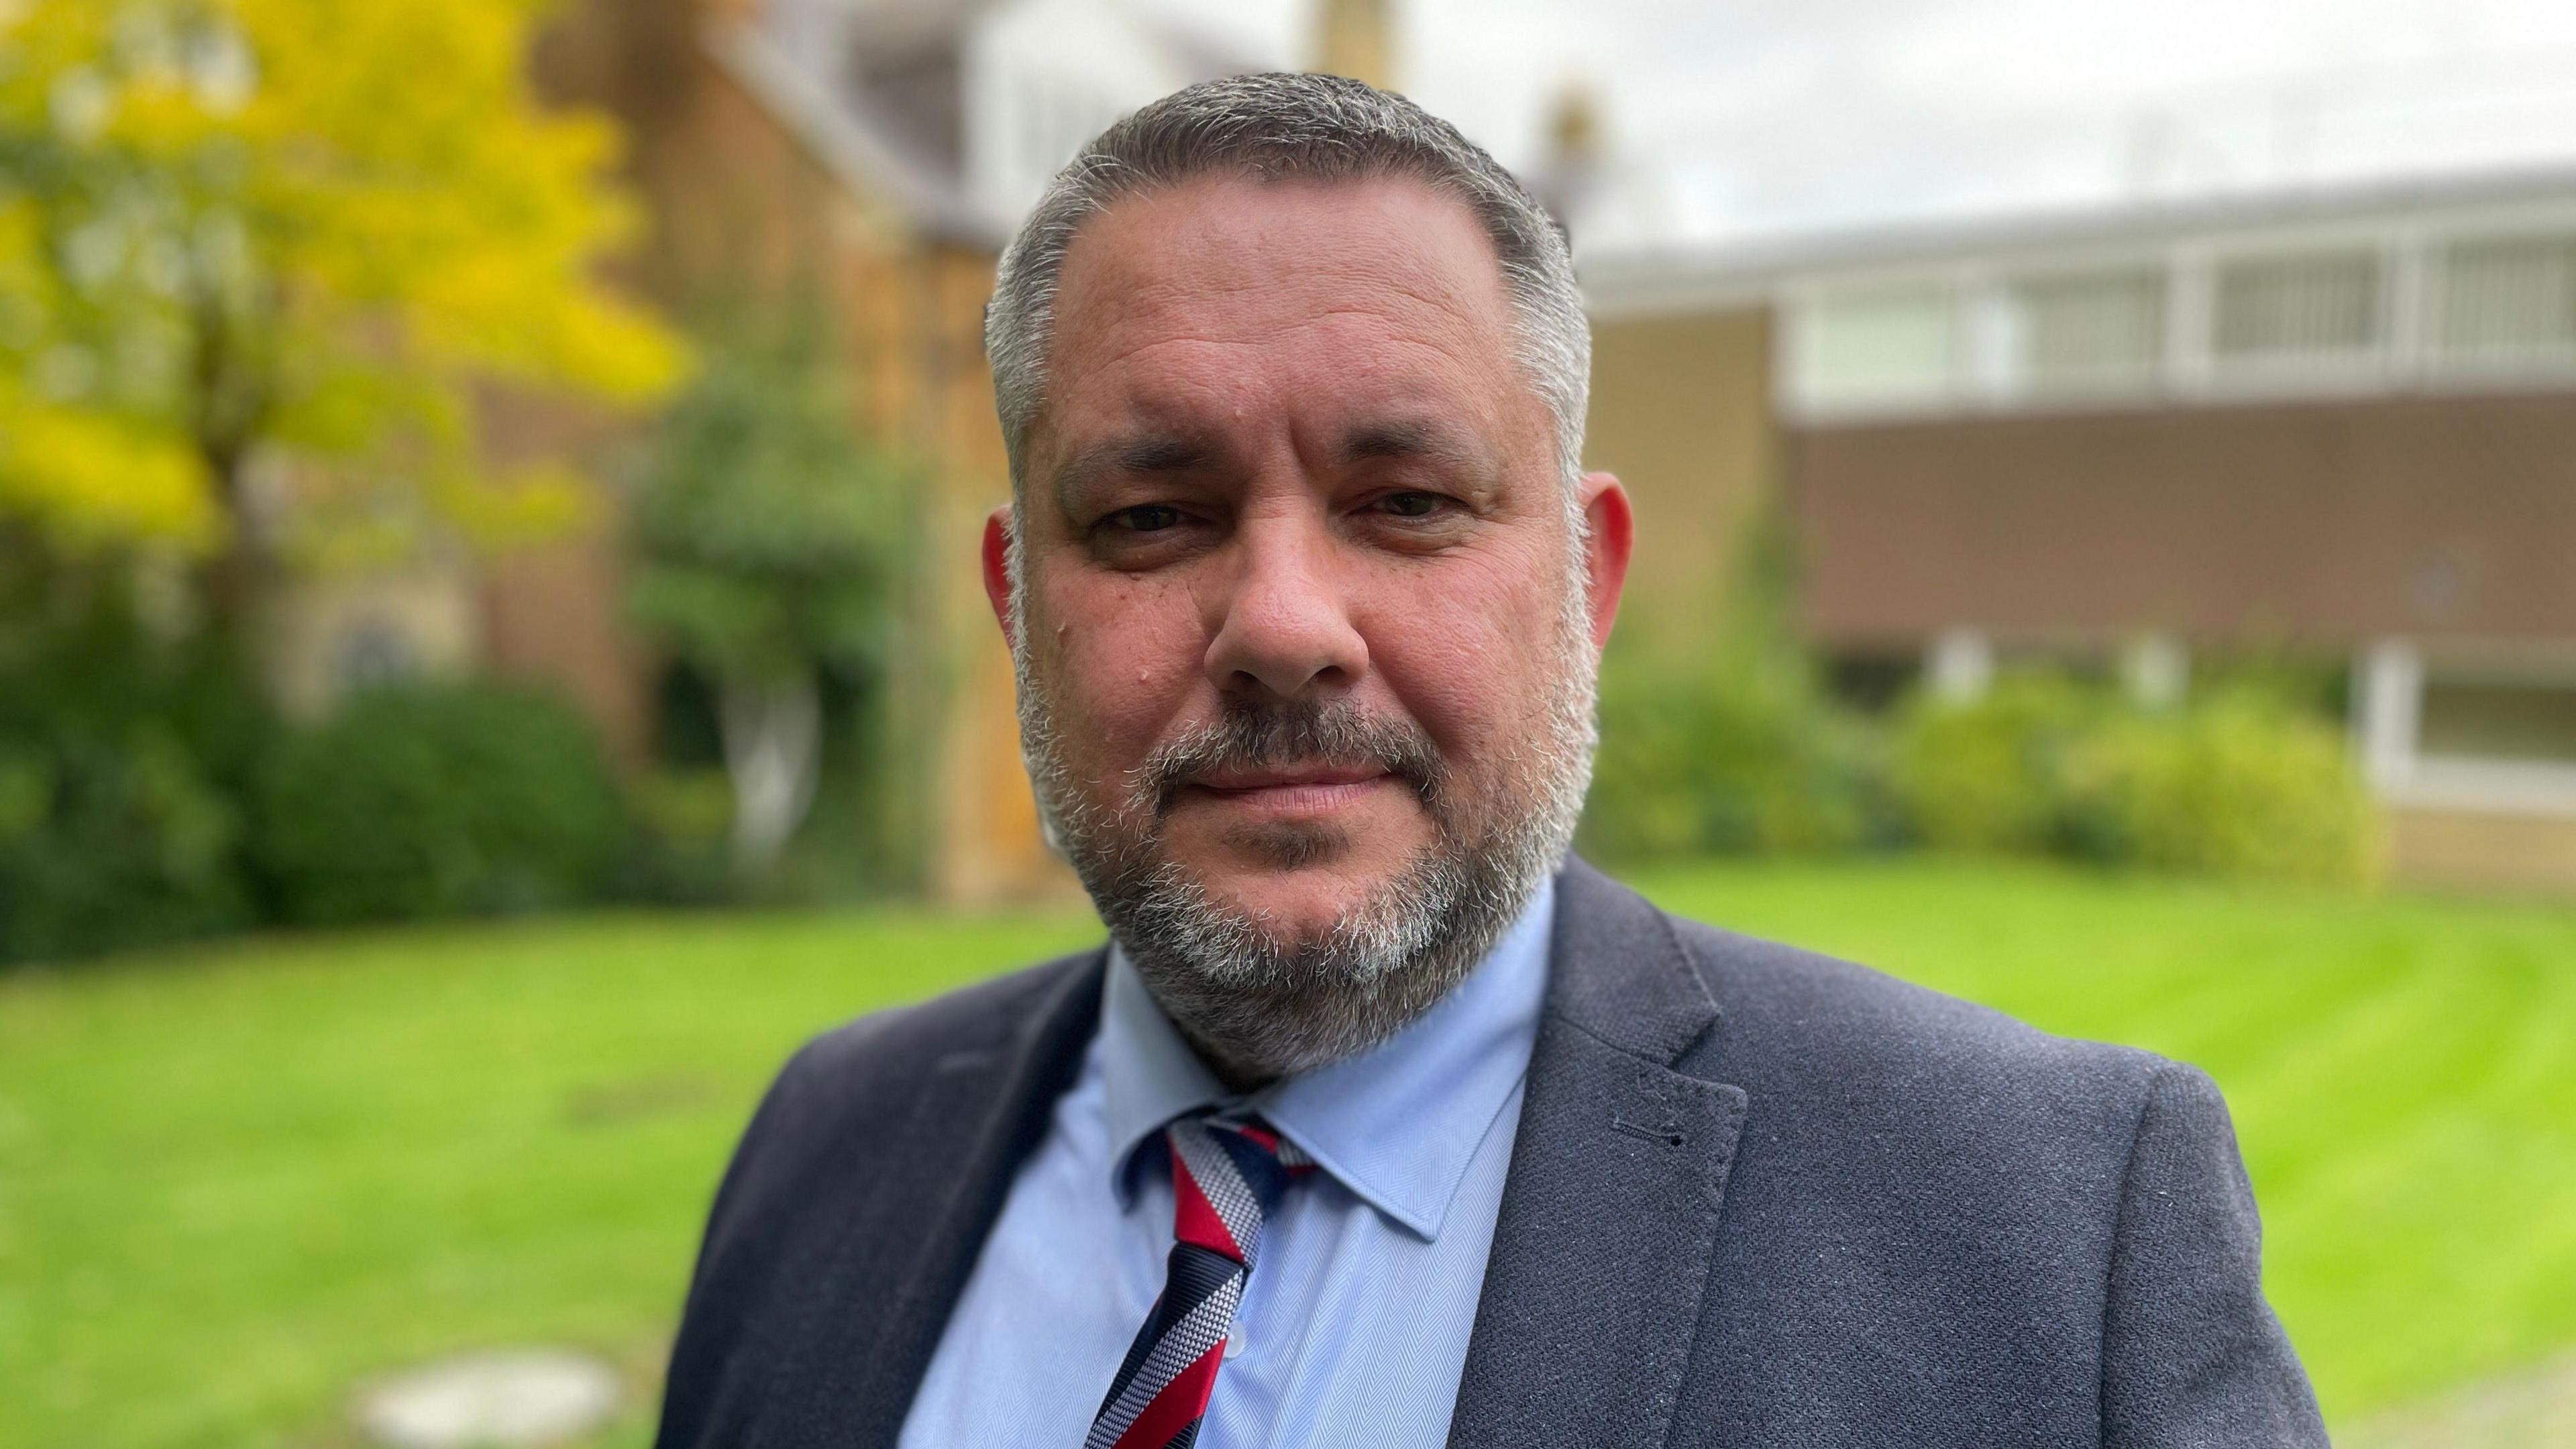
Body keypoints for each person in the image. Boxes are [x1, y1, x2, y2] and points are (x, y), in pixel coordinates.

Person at [654, 73, 2328, 1448]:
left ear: (1584, 587)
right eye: (1152, 516)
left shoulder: (2046, 1237)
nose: (1284, 623)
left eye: (1407, 502)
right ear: (1020, 603)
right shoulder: (824, 1147)